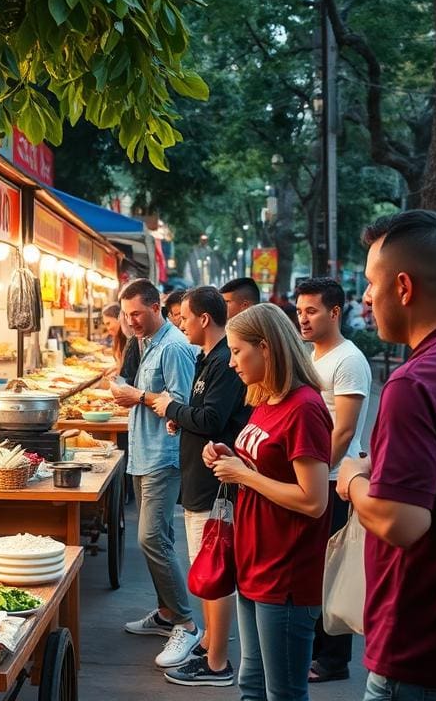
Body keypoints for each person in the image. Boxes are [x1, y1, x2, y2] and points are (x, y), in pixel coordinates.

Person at [337, 210, 436, 701]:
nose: (364, 298)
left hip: (423, 657)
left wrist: (354, 478)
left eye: (370, 284)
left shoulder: (416, 383)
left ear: (403, 287)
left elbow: (402, 523)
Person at [204, 302, 332, 701]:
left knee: (283, 693)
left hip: (286, 572)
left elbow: (313, 500)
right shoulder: (266, 400)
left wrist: (244, 475)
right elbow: (270, 467)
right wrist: (234, 457)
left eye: (238, 351)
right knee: (252, 685)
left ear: (266, 347)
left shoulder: (305, 408)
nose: (232, 363)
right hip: (254, 563)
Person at [151, 286, 250, 687]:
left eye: (184, 317)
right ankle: (210, 643)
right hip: (199, 481)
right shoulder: (208, 357)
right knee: (206, 568)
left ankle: (217, 664)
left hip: (213, 486)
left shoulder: (224, 360)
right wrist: (183, 417)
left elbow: (212, 419)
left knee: (214, 573)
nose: (180, 323)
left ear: (204, 319)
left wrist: (169, 408)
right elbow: (205, 415)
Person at [111, 280, 200, 669]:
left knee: (152, 538)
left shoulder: (175, 347)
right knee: (156, 537)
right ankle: (166, 614)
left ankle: (185, 622)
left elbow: (183, 407)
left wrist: (138, 397)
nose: (131, 322)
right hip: (143, 453)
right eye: (126, 315)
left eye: (137, 314)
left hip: (164, 457)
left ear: (155, 307)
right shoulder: (145, 342)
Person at [295, 277, 372, 684]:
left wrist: (316, 470)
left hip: (335, 481)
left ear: (335, 312)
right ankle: (316, 651)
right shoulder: (310, 356)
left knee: (331, 567)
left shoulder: (349, 359)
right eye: (300, 310)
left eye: (312, 311)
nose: (303, 318)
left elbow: (344, 431)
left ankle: (333, 660)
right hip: (315, 479)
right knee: (313, 567)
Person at [102, 303, 128, 367]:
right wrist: (115, 368)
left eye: (108, 323)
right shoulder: (117, 337)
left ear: (119, 318)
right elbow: (120, 364)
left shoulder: (129, 340)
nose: (108, 328)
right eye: (105, 325)